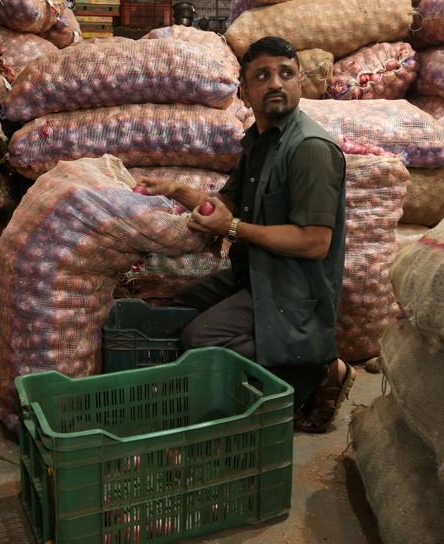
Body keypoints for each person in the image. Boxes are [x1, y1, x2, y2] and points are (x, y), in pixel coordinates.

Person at [138, 36, 353, 433]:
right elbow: (228, 205)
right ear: (245, 90)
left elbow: (314, 242)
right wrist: (176, 191)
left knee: (199, 341)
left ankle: (319, 368)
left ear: (300, 83)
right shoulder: (257, 142)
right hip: (257, 271)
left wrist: (232, 229)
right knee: (182, 306)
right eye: (262, 76)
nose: (275, 83)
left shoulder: (311, 149)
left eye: (286, 73)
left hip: (294, 287)